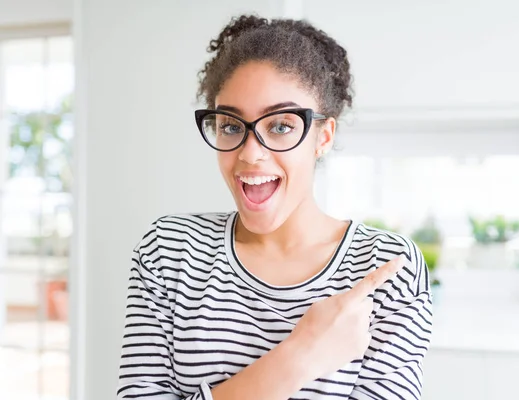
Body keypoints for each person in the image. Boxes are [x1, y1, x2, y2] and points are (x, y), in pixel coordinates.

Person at [117, 14, 432, 400]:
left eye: (281, 126)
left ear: (323, 136)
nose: (250, 154)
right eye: (231, 126)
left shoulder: (385, 268)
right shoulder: (170, 251)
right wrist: (299, 358)